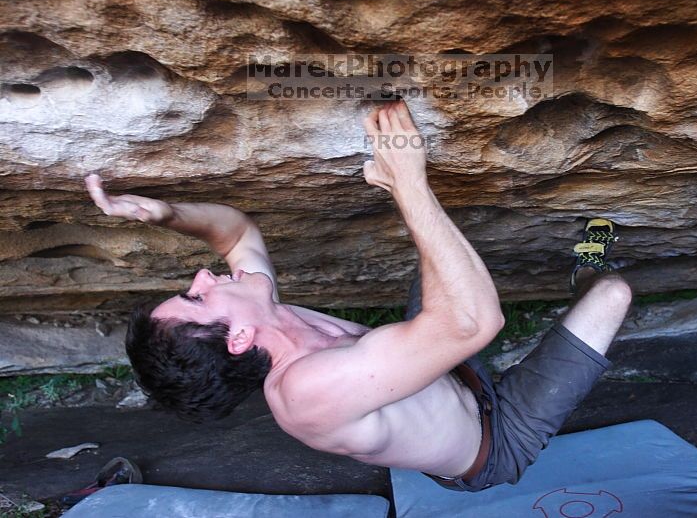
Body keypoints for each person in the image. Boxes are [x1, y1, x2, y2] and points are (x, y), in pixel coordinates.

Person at [85, 100, 631, 492]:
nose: (204, 277)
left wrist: (168, 214)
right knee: (611, 293)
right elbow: (472, 324)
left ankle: (576, 276)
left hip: (440, 364)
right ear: (238, 339)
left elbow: (235, 235)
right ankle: (592, 269)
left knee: (439, 245)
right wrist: (407, 182)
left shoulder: (263, 314)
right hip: (498, 435)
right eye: (198, 298)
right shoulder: (304, 392)